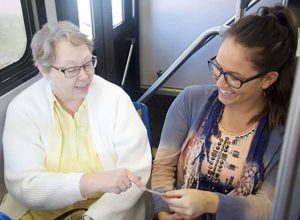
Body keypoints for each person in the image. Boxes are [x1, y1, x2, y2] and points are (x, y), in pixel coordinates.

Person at [151, 5, 298, 220]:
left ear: (268, 79)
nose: (220, 82)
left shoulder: (285, 134)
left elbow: (270, 207)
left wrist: (211, 202)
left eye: (234, 77)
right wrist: (164, 215)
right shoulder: (190, 101)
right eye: (217, 67)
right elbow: (163, 168)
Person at [1, 21, 152, 220]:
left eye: (88, 63)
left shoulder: (115, 99)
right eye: (71, 69)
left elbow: (135, 174)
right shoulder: (22, 109)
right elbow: (25, 185)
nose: (85, 76)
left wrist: (92, 218)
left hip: (106, 211)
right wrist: (91, 181)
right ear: (44, 71)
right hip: (40, 213)